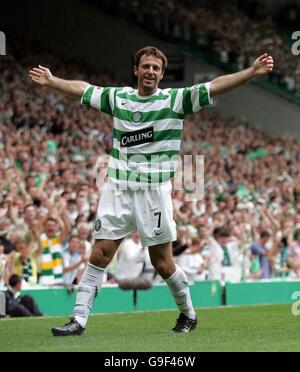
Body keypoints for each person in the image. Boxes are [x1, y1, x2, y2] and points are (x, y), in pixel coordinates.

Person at [29, 46, 274, 336]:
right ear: (136, 70)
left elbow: (214, 86)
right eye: (146, 66)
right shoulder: (120, 98)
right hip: (118, 188)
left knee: (162, 262)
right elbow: (86, 89)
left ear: (161, 73)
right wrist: (53, 80)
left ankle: (188, 313)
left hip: (153, 193)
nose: (151, 71)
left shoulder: (173, 101)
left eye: (156, 68)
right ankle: (79, 319)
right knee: (100, 253)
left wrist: (251, 72)